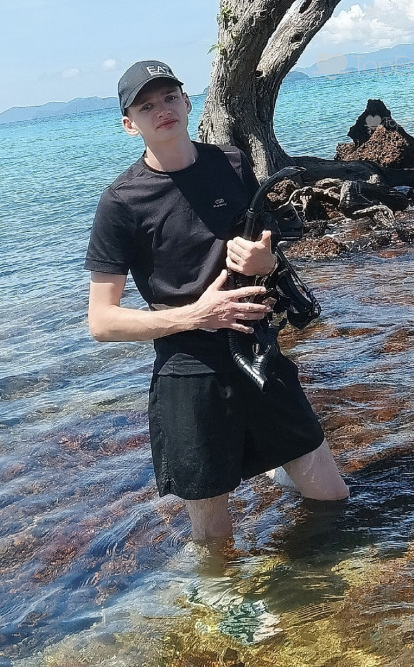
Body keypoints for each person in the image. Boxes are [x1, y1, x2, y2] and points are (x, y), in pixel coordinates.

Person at [85, 59, 348, 544]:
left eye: (169, 97)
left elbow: (265, 250)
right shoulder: (121, 203)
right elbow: (101, 322)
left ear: (187, 102)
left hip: (258, 350)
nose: (162, 110)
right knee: (215, 542)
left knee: (333, 503)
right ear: (129, 125)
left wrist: (266, 260)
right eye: (146, 106)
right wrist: (197, 315)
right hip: (190, 372)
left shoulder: (231, 163)